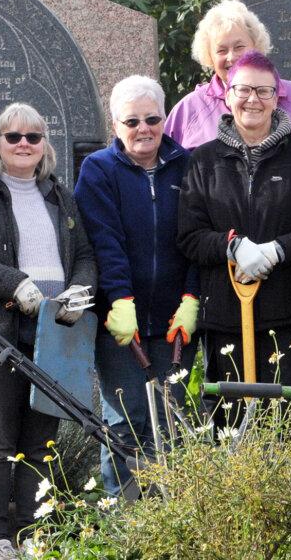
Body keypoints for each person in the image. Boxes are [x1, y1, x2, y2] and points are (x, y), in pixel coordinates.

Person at [0, 103, 96, 560]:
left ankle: (34, 537)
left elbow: (86, 254)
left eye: (34, 137)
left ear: (44, 145)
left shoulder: (59, 195)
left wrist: (79, 290)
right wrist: (17, 284)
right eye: (14, 137)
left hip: (53, 331)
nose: (24, 144)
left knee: (40, 442)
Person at [74, 75, 199, 497]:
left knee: (172, 420)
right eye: (132, 121)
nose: (143, 129)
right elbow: (104, 241)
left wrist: (192, 297)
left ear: (165, 118)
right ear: (115, 125)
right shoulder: (98, 170)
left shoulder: (189, 164)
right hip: (118, 321)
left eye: (152, 118)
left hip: (173, 320)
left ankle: (176, 519)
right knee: (126, 422)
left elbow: (199, 238)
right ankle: (126, 527)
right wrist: (119, 299)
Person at [178, 50, 291, 396]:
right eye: (243, 90)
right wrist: (232, 247)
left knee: (282, 422)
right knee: (230, 422)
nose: (253, 100)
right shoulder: (204, 160)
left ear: (277, 98)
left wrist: (278, 249)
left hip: (287, 317)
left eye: (264, 91)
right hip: (226, 317)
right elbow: (189, 235)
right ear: (228, 96)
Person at [165, 0, 291, 149]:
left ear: (256, 46)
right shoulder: (189, 109)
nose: (231, 57)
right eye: (221, 50)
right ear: (209, 57)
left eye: (239, 47)